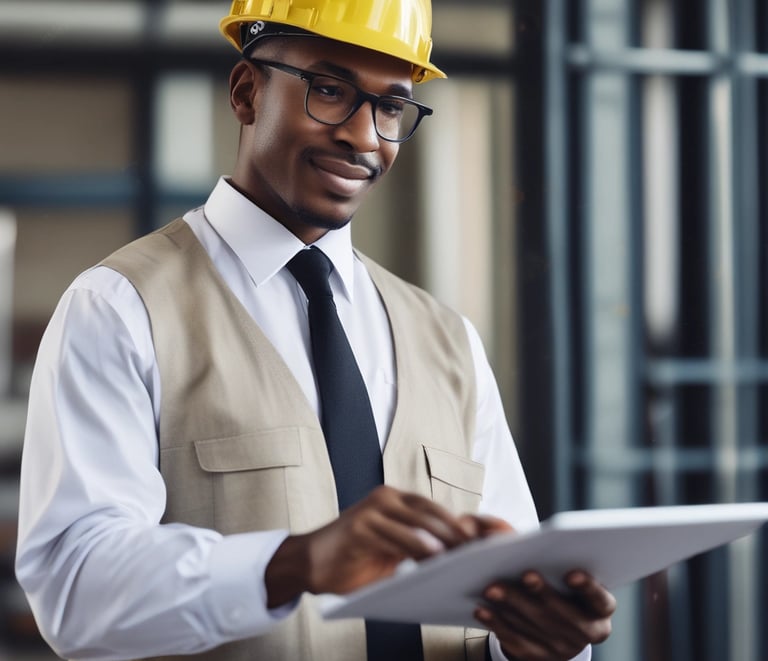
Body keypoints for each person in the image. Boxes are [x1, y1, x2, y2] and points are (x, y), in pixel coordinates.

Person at [16, 1, 616, 660]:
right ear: (247, 92)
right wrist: (293, 562)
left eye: (390, 107)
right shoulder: (121, 309)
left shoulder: (449, 342)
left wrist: (538, 641)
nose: (363, 136)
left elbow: (501, 599)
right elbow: (73, 590)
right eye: (330, 90)